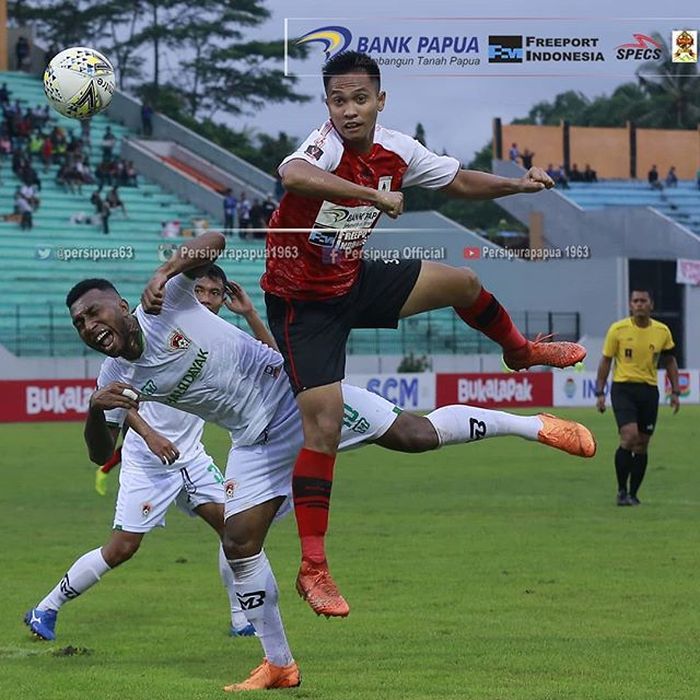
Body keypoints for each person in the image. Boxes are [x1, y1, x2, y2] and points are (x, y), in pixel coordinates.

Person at [64, 232, 594, 690]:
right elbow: (101, 452)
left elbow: (214, 244)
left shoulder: (168, 300)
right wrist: (94, 410)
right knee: (239, 540)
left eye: (93, 312)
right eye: (79, 324)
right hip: (253, 441)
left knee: (414, 435)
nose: (89, 326)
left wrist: (167, 268)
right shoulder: (114, 380)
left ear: (118, 304)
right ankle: (278, 665)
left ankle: (534, 425)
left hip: (297, 393)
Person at [260, 50, 586, 617]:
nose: (349, 110)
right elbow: (291, 173)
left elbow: (456, 180)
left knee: (461, 281)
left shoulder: (397, 148)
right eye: (338, 100)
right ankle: (314, 568)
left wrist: (517, 187)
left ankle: (519, 351)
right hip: (301, 305)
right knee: (326, 428)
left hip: (351, 280)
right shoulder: (325, 147)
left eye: (360, 99)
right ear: (327, 105)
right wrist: (373, 196)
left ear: (380, 101)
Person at [24, 270, 268, 644]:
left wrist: (251, 315)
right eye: (198, 289)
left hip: (192, 457)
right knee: (122, 548)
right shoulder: (155, 325)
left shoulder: (211, 337)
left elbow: (272, 359)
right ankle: (47, 607)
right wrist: (151, 435)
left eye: (213, 293)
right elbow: (124, 393)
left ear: (223, 300)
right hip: (149, 463)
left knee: (235, 532)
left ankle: (241, 618)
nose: (204, 297)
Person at [594, 289, 679, 506]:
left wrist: (676, 391)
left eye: (643, 301)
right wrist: (600, 392)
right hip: (623, 388)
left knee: (642, 444)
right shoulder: (618, 329)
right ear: (630, 305)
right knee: (629, 437)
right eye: (635, 301)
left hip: (649, 391)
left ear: (651, 304)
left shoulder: (662, 331)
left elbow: (669, 361)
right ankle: (621, 491)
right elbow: (606, 361)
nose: (639, 304)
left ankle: (633, 494)